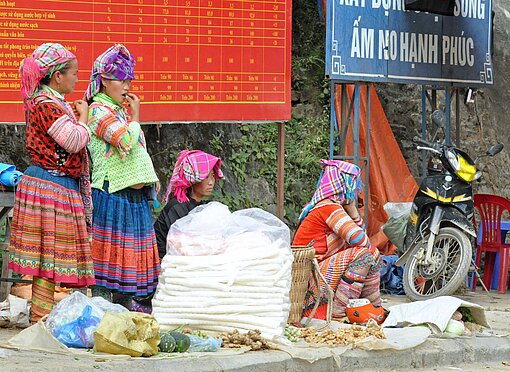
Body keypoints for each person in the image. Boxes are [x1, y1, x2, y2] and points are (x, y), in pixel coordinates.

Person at [8, 43, 95, 323]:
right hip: (49, 187)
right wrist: (84, 118)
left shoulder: (52, 104)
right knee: (47, 260)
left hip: (54, 186)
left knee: (50, 260)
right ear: (57, 76)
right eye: (73, 73)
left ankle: (44, 318)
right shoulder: (47, 106)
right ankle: (41, 319)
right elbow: (73, 141)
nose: (76, 79)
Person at [84, 44, 160, 312]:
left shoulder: (119, 112)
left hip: (134, 197)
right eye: (121, 79)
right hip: (112, 194)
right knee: (110, 267)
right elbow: (125, 140)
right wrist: (137, 117)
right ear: (104, 80)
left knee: (129, 267)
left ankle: (124, 321)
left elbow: (138, 150)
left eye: (129, 79)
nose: (127, 85)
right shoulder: (97, 112)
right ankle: (103, 320)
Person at [292, 159, 382, 319]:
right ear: (343, 184)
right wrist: (353, 210)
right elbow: (362, 242)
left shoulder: (330, 206)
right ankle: (339, 313)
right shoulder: (328, 207)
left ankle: (374, 308)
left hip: (319, 273)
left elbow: (366, 243)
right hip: (310, 279)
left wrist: (353, 213)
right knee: (363, 256)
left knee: (373, 253)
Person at [154, 149, 223, 259]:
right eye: (206, 177)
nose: (211, 182)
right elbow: (182, 246)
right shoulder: (177, 206)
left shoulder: (202, 207)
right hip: (164, 261)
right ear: (193, 180)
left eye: (213, 176)